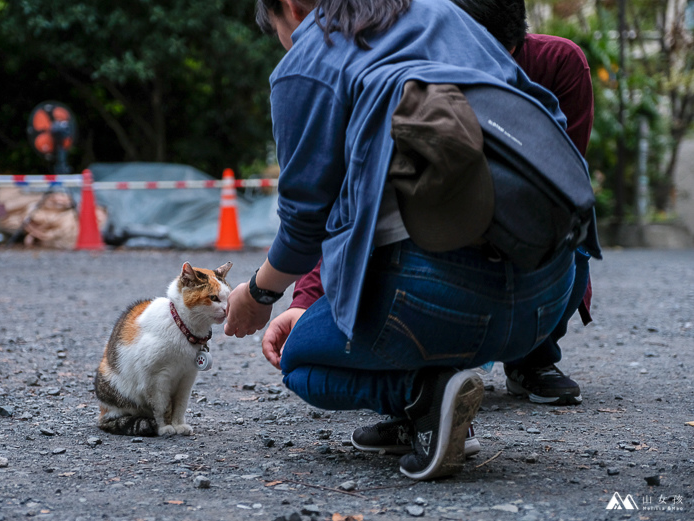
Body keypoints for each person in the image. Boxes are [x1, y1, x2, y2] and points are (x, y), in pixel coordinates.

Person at [226, 0, 597, 481]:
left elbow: (304, 226)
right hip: (546, 298)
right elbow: (545, 118)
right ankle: (431, 410)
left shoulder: (308, 57)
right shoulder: (445, 14)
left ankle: (422, 395)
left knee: (299, 360)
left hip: (444, 299)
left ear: (293, 7)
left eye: (277, 27)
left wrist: (258, 294)